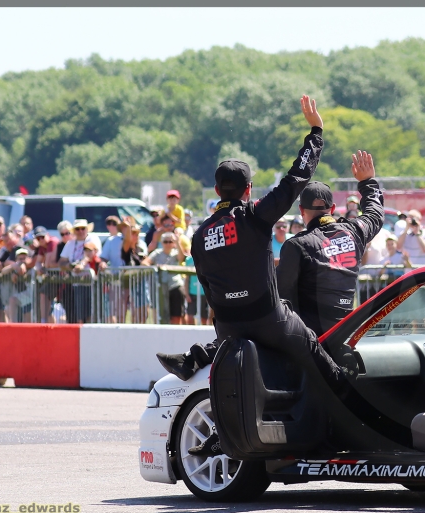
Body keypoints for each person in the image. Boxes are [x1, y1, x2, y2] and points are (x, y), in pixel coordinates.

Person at [157, 95, 349, 427]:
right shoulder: (254, 215)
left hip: (229, 326)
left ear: (217, 190)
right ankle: (351, 407)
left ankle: (201, 354)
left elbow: (208, 287)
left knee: (231, 333)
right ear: (248, 189)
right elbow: (297, 179)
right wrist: (316, 132)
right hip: (269, 320)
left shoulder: (200, 235)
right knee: (316, 353)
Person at [276, 150, 383, 336]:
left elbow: (281, 296)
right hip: (347, 335)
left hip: (311, 343)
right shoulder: (355, 231)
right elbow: (375, 214)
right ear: (332, 209)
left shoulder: (297, 245)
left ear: (301, 211)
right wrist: (368, 182)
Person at [144, 232, 187, 324]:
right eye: (165, 241)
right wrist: (155, 267)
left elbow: (181, 258)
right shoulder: (157, 253)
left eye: (170, 241)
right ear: (162, 242)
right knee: (162, 315)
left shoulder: (176, 253)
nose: (168, 244)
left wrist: (177, 242)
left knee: (177, 315)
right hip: (161, 288)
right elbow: (145, 263)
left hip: (175, 286)